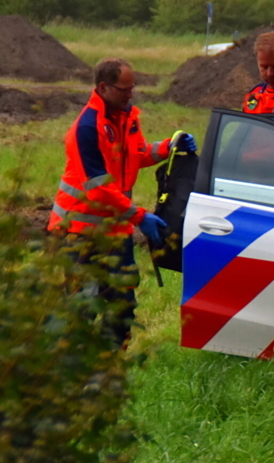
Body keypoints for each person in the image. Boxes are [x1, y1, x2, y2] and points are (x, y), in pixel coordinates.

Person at [48, 58, 196, 348]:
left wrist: (169, 147)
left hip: (116, 228)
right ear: (103, 88)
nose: (131, 94)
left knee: (123, 300)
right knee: (82, 302)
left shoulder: (126, 117)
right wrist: (139, 216)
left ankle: (110, 361)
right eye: (124, 89)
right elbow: (97, 188)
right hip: (79, 231)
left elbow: (137, 154)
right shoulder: (86, 128)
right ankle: (67, 363)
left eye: (133, 88)